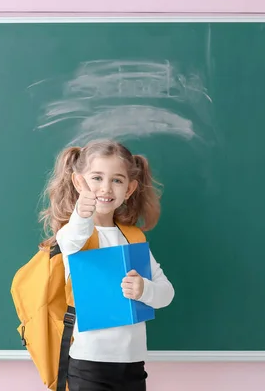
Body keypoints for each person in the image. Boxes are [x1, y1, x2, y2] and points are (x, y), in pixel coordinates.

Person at [38, 138, 175, 391]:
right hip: (89, 363)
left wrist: (144, 289)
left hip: (133, 364)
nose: (106, 188)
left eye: (117, 180)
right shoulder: (73, 235)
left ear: (130, 189)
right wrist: (81, 213)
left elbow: (166, 293)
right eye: (97, 178)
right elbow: (71, 239)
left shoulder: (132, 237)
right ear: (79, 182)